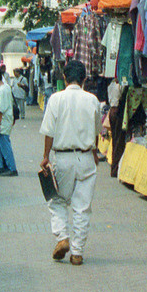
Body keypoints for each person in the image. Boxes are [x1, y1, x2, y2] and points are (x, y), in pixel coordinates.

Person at [39, 60, 102, 266]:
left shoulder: (56, 99)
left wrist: (46, 156)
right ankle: (77, 252)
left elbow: (48, 131)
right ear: (84, 79)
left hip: (63, 157)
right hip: (86, 157)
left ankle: (62, 237)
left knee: (57, 200)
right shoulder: (93, 100)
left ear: (64, 78)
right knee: (82, 207)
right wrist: (93, 151)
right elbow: (96, 131)